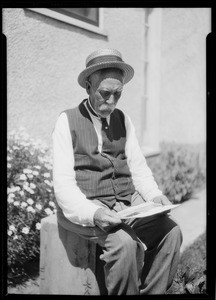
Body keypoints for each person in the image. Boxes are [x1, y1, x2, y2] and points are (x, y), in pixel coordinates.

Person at [52, 48, 182, 295]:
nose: (111, 102)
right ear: (88, 86)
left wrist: (154, 197)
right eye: (104, 93)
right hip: (87, 206)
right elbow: (64, 187)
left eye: (117, 94)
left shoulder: (124, 120)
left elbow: (139, 169)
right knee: (124, 244)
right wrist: (95, 213)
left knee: (171, 232)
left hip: (125, 204)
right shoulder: (66, 121)